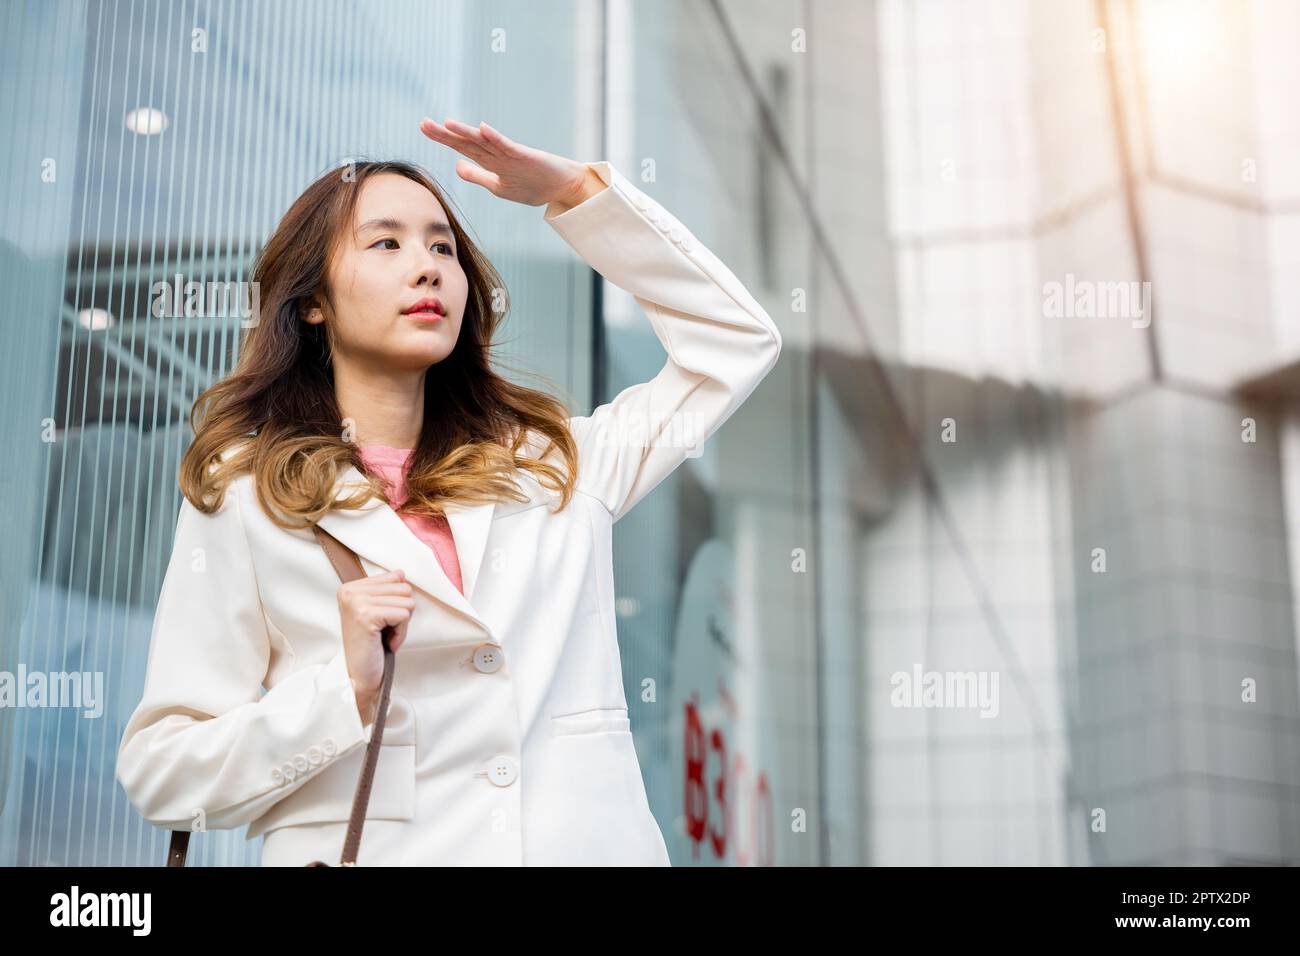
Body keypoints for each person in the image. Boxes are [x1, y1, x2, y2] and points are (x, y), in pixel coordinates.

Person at [115, 117, 782, 866]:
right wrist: (345, 691)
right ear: (313, 301)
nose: (427, 266)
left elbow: (736, 343)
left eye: (442, 247)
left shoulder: (559, 466)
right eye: (386, 243)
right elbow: (164, 773)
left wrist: (577, 196)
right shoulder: (247, 496)